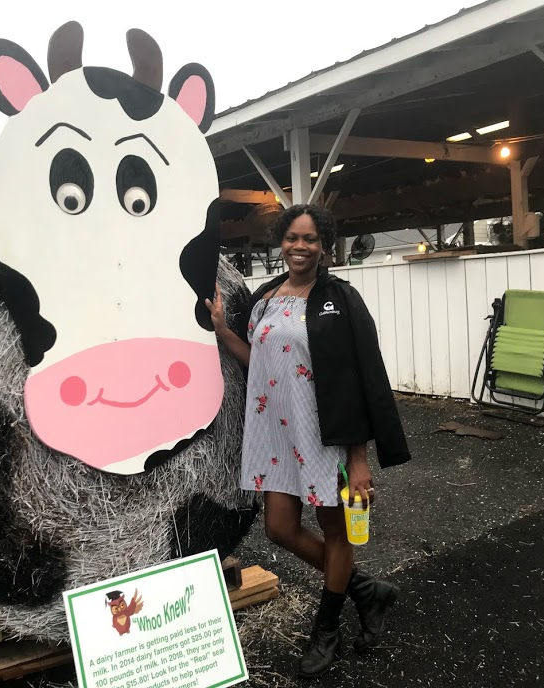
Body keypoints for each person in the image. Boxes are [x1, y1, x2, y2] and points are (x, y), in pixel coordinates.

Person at [206, 204, 411, 678]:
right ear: (282, 242)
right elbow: (255, 359)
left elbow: (362, 377)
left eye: (311, 239)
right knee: (279, 528)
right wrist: (222, 332)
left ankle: (327, 629)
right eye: (293, 238)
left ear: (325, 246)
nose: (301, 247)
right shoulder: (265, 297)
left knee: (336, 532)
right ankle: (364, 589)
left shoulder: (340, 298)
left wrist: (359, 459)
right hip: (276, 433)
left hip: (326, 435)